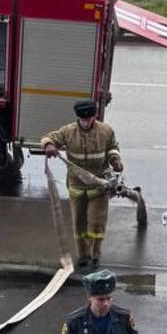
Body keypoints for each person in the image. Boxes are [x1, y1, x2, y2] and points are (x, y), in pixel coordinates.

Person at [41, 99, 123, 269]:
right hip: (77, 186)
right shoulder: (68, 131)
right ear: (78, 118)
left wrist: (115, 160)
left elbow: (113, 147)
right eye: (82, 119)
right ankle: (82, 255)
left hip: (99, 185)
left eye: (89, 119)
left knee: (96, 223)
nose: (86, 122)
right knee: (79, 223)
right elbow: (48, 138)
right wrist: (48, 145)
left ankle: (95, 255)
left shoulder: (106, 131)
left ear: (94, 116)